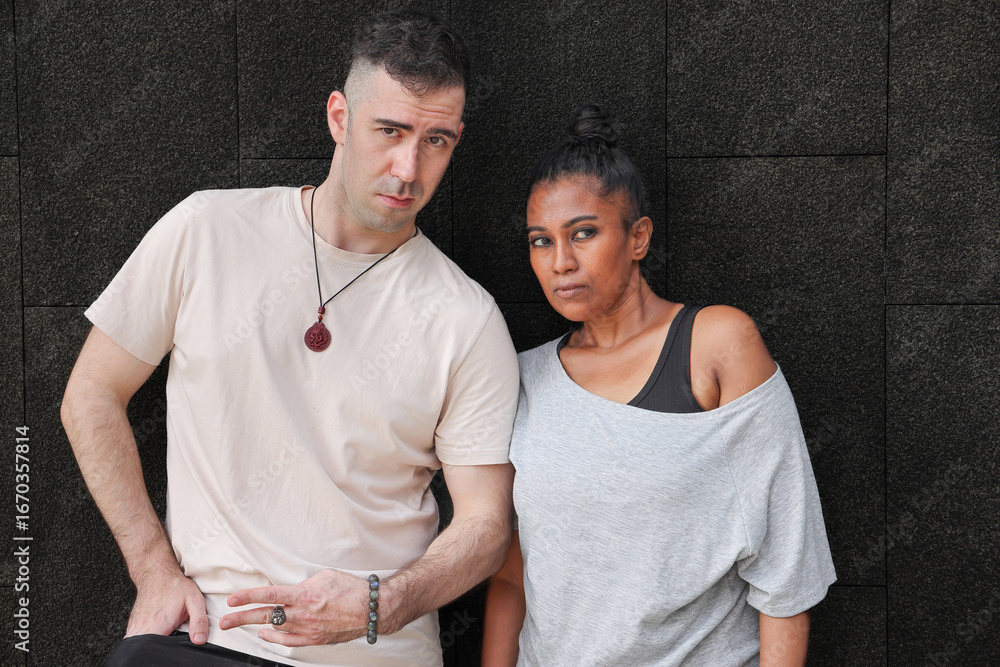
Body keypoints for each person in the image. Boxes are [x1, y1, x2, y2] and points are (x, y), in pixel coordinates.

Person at [61, 9, 519, 667]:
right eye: (389, 131)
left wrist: (379, 604)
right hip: (212, 639)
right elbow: (91, 394)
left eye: (436, 140)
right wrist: (152, 568)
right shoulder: (206, 231)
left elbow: (485, 525)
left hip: (375, 652)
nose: (408, 167)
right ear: (339, 117)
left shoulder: (466, 317)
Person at [481, 105, 836, 666]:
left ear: (639, 237)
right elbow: (511, 576)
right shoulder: (524, 377)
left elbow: (786, 572)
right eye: (541, 241)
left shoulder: (715, 345)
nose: (561, 262)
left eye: (584, 233)